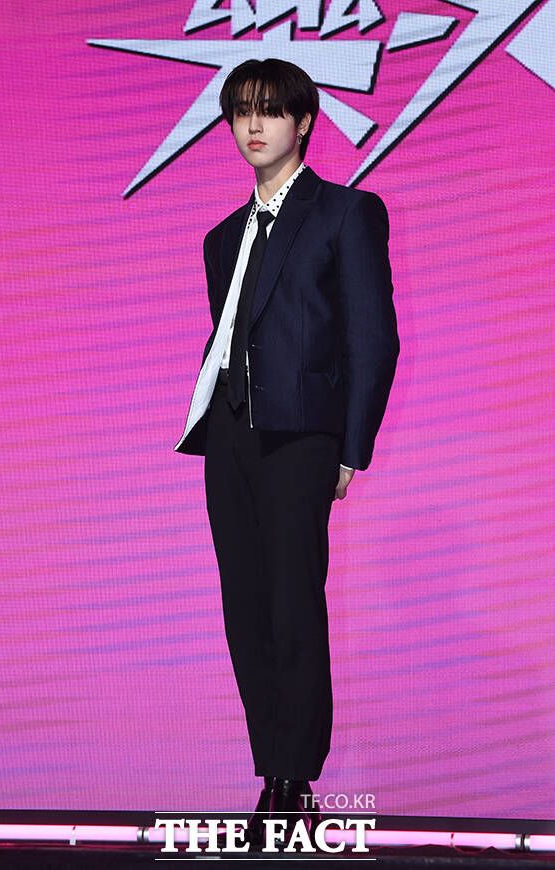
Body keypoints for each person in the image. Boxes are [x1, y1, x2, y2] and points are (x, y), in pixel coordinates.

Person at [174, 57, 399, 850]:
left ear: (303, 122)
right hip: (229, 435)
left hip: (303, 437)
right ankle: (270, 767)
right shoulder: (220, 238)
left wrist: (350, 450)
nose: (254, 125)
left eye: (270, 110)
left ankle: (295, 778)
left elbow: (374, 339)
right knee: (244, 608)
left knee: (292, 602)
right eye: (242, 111)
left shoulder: (344, 213)